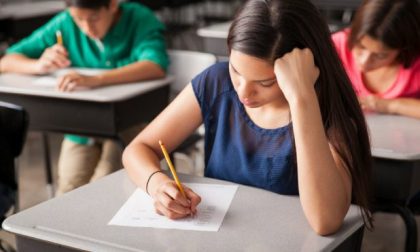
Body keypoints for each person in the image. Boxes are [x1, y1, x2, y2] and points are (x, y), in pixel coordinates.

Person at [123, 0, 373, 235]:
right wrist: (157, 186)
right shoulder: (216, 82)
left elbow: (325, 221)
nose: (243, 91)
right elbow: (138, 148)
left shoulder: (326, 111)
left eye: (265, 82)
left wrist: (302, 98)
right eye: (236, 69)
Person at [0, 0, 169, 195]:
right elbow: (7, 60)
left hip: (131, 124)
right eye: (79, 19)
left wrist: (96, 79)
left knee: (106, 185)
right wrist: (38, 65)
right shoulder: (65, 23)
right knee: (67, 189)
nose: (87, 28)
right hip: (83, 127)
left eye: (94, 18)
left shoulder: (139, 18)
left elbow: (155, 65)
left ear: (112, 5)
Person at [332, 0, 420, 118]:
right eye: (360, 46)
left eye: (380, 55)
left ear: (403, 49)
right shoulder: (336, 46)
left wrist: (388, 105)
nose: (364, 62)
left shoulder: (416, 64)